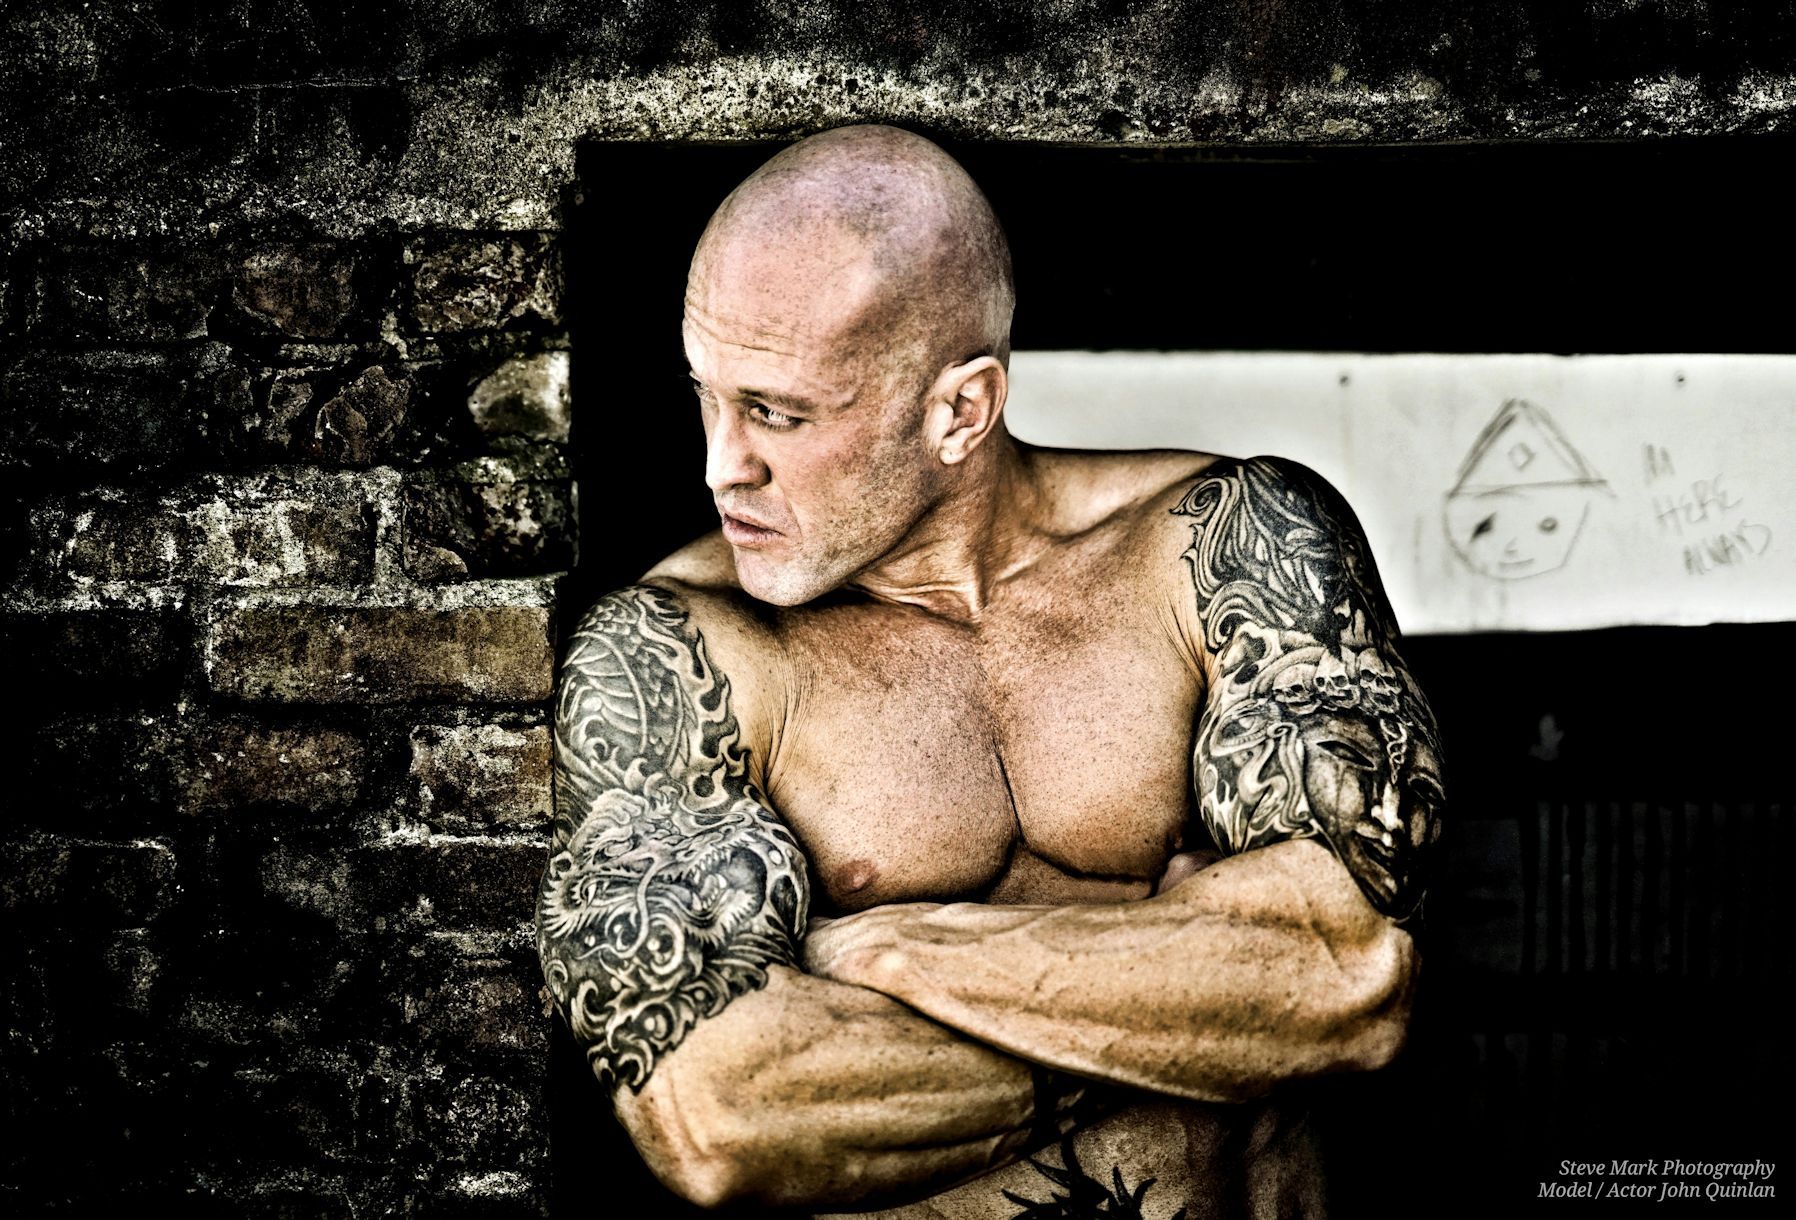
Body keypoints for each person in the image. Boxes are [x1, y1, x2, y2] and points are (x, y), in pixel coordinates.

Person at [536, 124, 1444, 1217]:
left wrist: (899, 950)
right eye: (706, 394)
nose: (720, 465)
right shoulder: (678, 652)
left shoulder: (1224, 548)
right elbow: (720, 1113)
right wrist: (1207, 1003)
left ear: (960, 410)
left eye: (777, 413)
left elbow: (1348, 978)